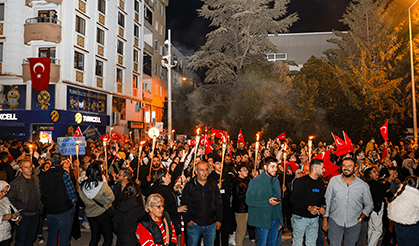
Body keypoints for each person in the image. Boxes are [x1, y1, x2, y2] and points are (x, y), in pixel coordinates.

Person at [322, 157, 373, 246]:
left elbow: (369, 205)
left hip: (354, 223)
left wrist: (360, 219)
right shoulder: (334, 181)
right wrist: (325, 219)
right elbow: (327, 200)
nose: (346, 168)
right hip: (335, 221)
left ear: (355, 168)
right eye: (344, 165)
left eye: (349, 166)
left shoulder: (363, 186)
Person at [38, 153, 77, 246]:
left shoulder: (42, 176)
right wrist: (73, 201)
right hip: (64, 208)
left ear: (50, 162)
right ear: (61, 162)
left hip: (50, 209)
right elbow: (71, 190)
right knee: (64, 235)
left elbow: (41, 192)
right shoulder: (63, 173)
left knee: (52, 234)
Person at [181, 161, 222, 246]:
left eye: (206, 170)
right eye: (202, 170)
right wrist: (188, 220)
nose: (204, 172)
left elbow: (219, 203)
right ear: (196, 172)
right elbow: (184, 204)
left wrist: (219, 219)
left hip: (211, 224)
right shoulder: (190, 186)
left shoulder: (213, 184)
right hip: (194, 224)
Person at [246, 156, 284, 246]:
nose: (275, 169)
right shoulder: (255, 182)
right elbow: (249, 200)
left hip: (276, 219)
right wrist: (267, 202)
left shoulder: (276, 181)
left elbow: (279, 202)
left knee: (273, 244)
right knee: (262, 244)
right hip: (262, 220)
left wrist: (280, 220)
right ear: (265, 167)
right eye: (272, 166)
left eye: (276, 166)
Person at [290, 159, 326, 246]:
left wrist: (322, 207)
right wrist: (308, 207)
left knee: (312, 243)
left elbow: (321, 199)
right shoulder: (300, 182)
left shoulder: (320, 184)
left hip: (314, 219)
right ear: (315, 169)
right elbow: (294, 199)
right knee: (297, 243)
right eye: (322, 167)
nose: (324, 170)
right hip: (300, 218)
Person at [79, 161, 115, 246]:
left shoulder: (82, 186)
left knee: (95, 237)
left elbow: (82, 199)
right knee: (108, 237)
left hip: (90, 214)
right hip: (102, 213)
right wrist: (105, 204)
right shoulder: (102, 186)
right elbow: (111, 198)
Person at [8, 159, 43, 246]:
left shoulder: (36, 179)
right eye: (26, 167)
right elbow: (11, 198)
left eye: (30, 166)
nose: (29, 169)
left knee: (31, 238)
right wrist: (21, 209)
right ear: (20, 169)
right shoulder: (15, 183)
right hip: (24, 215)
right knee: (21, 239)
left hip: (35, 213)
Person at [363, 167, 392, 246]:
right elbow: (385, 187)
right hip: (376, 208)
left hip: (372, 208)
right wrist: (390, 177)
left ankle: (370, 243)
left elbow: (384, 192)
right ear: (370, 175)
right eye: (374, 172)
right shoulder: (372, 182)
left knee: (372, 228)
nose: (377, 173)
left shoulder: (372, 183)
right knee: (378, 230)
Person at [387, 175, 419, 246]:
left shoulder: (401, 191)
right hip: (411, 226)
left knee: (402, 242)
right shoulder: (416, 195)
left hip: (398, 224)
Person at [232, 163, 251, 246]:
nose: (246, 172)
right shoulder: (236, 182)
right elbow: (237, 197)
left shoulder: (247, 180)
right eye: (243, 170)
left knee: (242, 228)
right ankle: (239, 244)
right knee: (241, 229)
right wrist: (248, 193)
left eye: (246, 170)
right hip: (240, 209)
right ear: (239, 172)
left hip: (245, 207)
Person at [0, 180, 20, 246]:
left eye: (5, 192)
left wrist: (15, 217)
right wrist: (2, 218)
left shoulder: (6, 200)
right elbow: (4, 217)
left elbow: (12, 212)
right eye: (1, 191)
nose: (4, 194)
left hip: (6, 233)